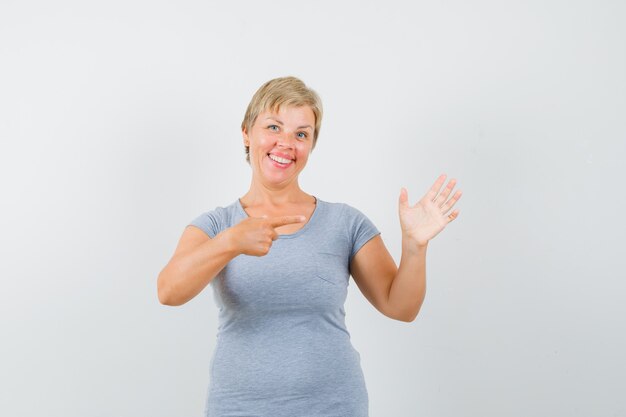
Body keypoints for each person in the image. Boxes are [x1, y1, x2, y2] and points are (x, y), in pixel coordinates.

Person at [157, 76, 462, 417]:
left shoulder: (345, 223)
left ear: (311, 145)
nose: (286, 143)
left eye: (301, 134)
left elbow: (400, 307)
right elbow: (168, 291)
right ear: (246, 132)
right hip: (240, 408)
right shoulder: (216, 225)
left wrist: (414, 246)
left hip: (333, 406)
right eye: (273, 127)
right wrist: (232, 242)